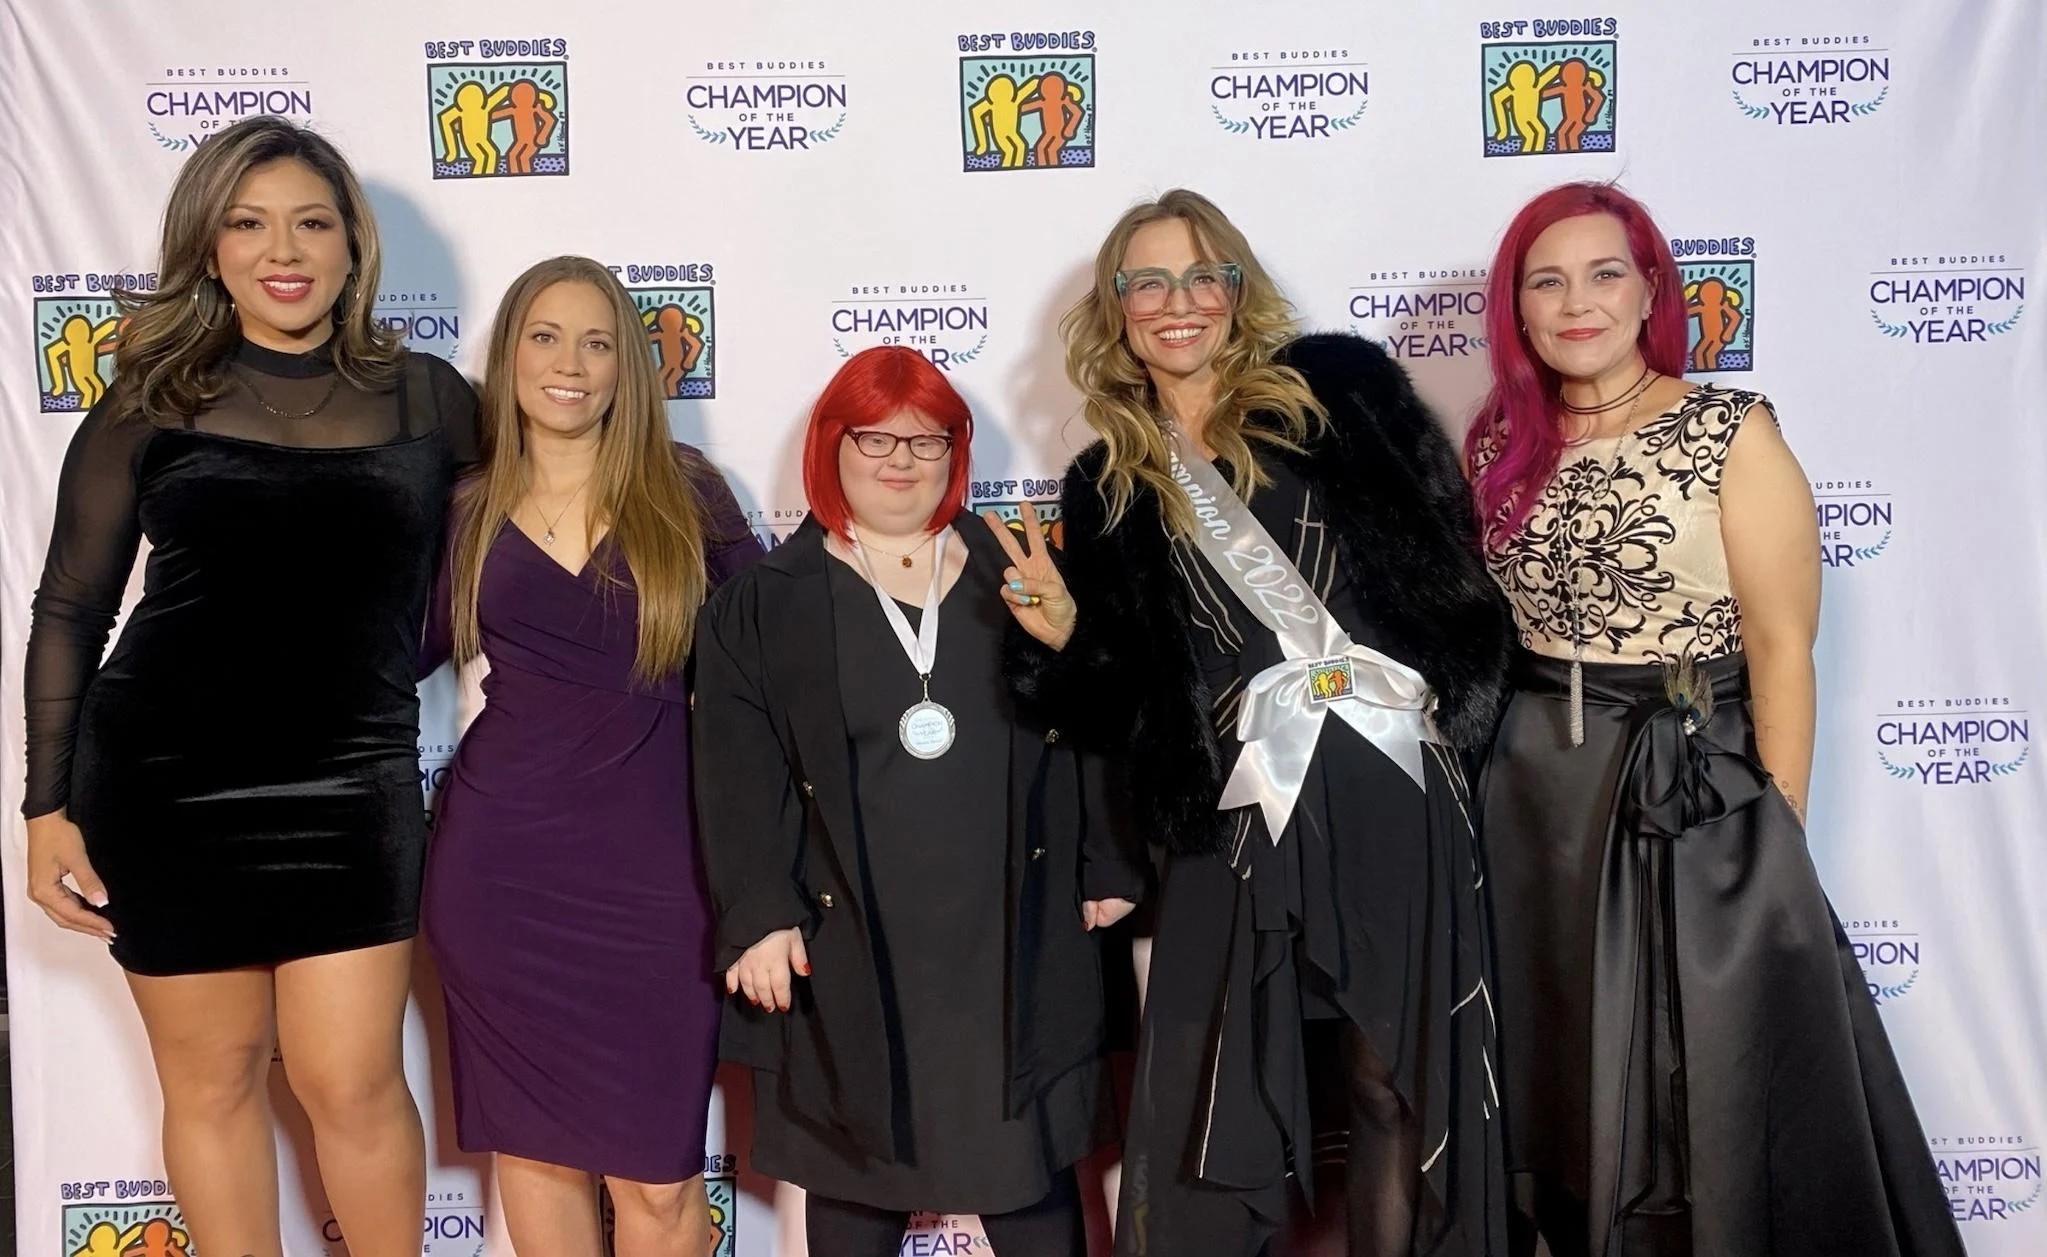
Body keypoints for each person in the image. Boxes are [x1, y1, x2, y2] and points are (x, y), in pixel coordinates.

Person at [1001, 188, 1510, 1256]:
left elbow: (1447, 571)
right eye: (1147, 281)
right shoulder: (1105, 483)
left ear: (1235, 290)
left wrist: (1444, 711)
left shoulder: (1343, 393)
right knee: (1219, 1086)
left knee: (1390, 1079)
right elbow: (1127, 693)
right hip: (1239, 807)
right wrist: (1064, 640)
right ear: (1117, 308)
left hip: (1386, 783)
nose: (1175, 302)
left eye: (1200, 275)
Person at [1464, 180, 1963, 1257]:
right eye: (1545, 281)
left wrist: (1770, 829)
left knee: (1706, 1068)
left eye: (1604, 273)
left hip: (1686, 777)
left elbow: (1782, 646)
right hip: (1532, 800)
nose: (1575, 301)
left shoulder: (1726, 429)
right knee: (1563, 1072)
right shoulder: (1500, 440)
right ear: (1516, 307)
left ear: (1649, 289)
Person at [20, 115, 477, 1257]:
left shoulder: (429, 397)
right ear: (209, 247)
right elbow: (73, 609)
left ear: (351, 247)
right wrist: (42, 808)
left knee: (354, 1083)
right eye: (250, 221)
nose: (285, 248)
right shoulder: (149, 399)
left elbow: (501, 568)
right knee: (214, 1083)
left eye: (312, 222)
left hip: (351, 781)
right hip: (163, 787)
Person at [693, 346, 1143, 1257]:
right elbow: (739, 772)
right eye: (874, 437)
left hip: (1010, 938)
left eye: (926, 439)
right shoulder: (761, 605)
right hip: (849, 940)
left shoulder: (1018, 570)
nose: (900, 459)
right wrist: (759, 914)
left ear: (955, 453)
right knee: (856, 1179)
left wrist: (1106, 855)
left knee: (1026, 1178)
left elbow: (1094, 718)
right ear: (831, 446)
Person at [418, 257, 762, 1257]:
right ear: (509, 355)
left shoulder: (685, 493)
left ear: (626, 370)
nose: (568, 363)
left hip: (663, 885)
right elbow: (392, 655)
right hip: (502, 880)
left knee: (659, 1190)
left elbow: (778, 648)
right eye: (544, 336)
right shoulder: (466, 508)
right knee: (537, 1164)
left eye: (597, 341)